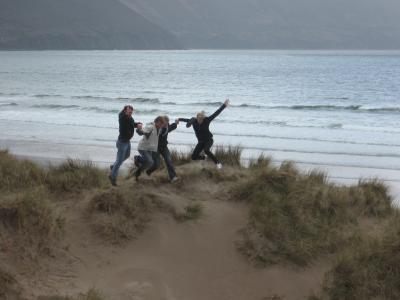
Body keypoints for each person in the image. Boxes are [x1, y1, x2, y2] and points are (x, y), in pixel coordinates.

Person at [179, 99, 229, 169]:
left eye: (201, 117)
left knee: (206, 150)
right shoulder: (194, 121)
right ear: (197, 117)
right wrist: (178, 119)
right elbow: (185, 120)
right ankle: (204, 157)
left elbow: (216, 113)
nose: (200, 119)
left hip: (209, 140)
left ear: (203, 118)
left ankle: (218, 163)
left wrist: (224, 105)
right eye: (198, 117)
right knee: (193, 157)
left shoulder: (207, 120)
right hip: (200, 142)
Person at [109, 105, 142, 186]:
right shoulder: (122, 118)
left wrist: (137, 124)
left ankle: (113, 166)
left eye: (131, 112)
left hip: (127, 141)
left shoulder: (129, 118)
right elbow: (125, 120)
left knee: (127, 155)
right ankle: (112, 178)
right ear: (125, 111)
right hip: (122, 142)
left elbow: (131, 124)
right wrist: (135, 124)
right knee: (119, 161)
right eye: (129, 112)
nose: (130, 113)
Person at [146, 116, 179, 182]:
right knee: (156, 164)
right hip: (155, 148)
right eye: (163, 123)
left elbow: (173, 126)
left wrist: (176, 123)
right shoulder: (156, 128)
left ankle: (173, 177)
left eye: (166, 123)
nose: (164, 125)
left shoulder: (167, 128)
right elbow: (148, 129)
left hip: (164, 147)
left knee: (169, 161)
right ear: (160, 123)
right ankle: (148, 172)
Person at [132, 116, 165, 181]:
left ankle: (137, 172)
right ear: (157, 122)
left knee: (150, 163)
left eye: (162, 125)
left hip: (150, 148)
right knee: (150, 161)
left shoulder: (159, 128)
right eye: (161, 124)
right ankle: (137, 158)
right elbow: (142, 132)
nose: (161, 126)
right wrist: (139, 129)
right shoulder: (150, 127)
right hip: (143, 147)